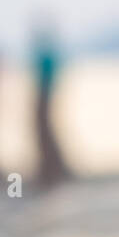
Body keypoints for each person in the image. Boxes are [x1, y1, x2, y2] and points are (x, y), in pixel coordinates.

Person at [31, 27, 70, 186]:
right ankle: (50, 169)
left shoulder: (46, 56)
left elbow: (45, 79)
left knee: (44, 132)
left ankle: (51, 170)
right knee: (44, 132)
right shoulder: (47, 56)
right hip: (44, 96)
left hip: (44, 96)